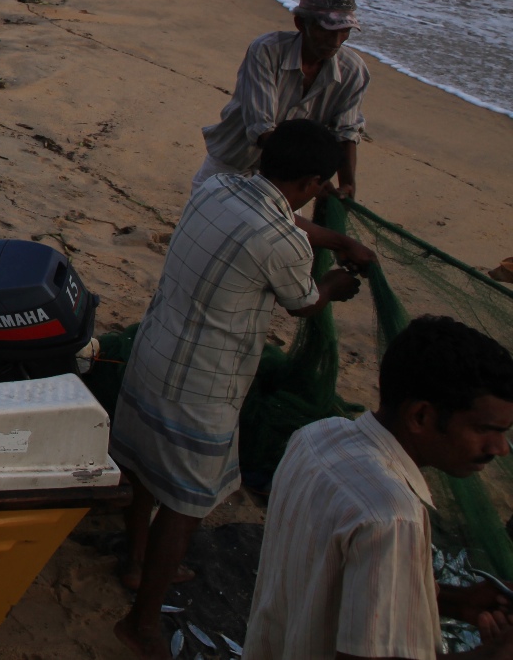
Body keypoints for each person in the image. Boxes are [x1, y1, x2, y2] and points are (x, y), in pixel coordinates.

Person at [110, 120, 372, 660]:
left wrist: (340, 239)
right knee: (184, 505)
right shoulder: (282, 246)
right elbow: (303, 302)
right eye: (319, 185)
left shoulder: (217, 185)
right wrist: (336, 283)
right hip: (201, 385)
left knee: (140, 469)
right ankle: (140, 625)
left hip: (153, 354)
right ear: (312, 181)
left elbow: (285, 222)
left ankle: (135, 563)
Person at [242, 315, 513, 660]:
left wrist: (459, 601)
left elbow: (332, 585)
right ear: (420, 417)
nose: (500, 448)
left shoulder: (318, 436)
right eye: (485, 429)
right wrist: (495, 653)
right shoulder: (394, 517)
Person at [197, 0, 369, 198]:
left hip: (286, 177)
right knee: (205, 213)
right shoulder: (267, 51)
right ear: (300, 23)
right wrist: (311, 172)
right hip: (235, 157)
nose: (335, 41)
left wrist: (347, 184)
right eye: (325, 30)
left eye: (344, 31)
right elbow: (262, 127)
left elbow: (346, 132)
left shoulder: (353, 72)